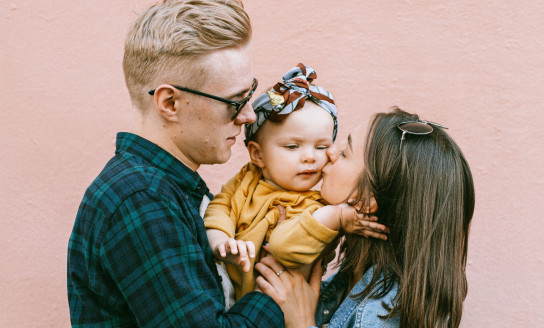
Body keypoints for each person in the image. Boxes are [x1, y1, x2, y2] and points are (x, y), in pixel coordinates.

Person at [67, 1, 320, 327]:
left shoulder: (168, 188)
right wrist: (282, 287)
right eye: (235, 101)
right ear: (170, 103)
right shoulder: (142, 199)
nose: (249, 115)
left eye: (251, 93)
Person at [203, 63, 388, 304]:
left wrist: (336, 217)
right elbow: (220, 209)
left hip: (278, 311)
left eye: (322, 147)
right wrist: (219, 240)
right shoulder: (245, 180)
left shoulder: (318, 209)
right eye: (292, 146)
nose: (310, 156)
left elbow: (284, 248)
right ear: (258, 155)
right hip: (230, 301)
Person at [305, 107, 475, 327]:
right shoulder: (355, 272)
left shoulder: (381, 314)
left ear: (367, 200)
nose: (330, 153)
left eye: (345, 153)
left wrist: (300, 322)